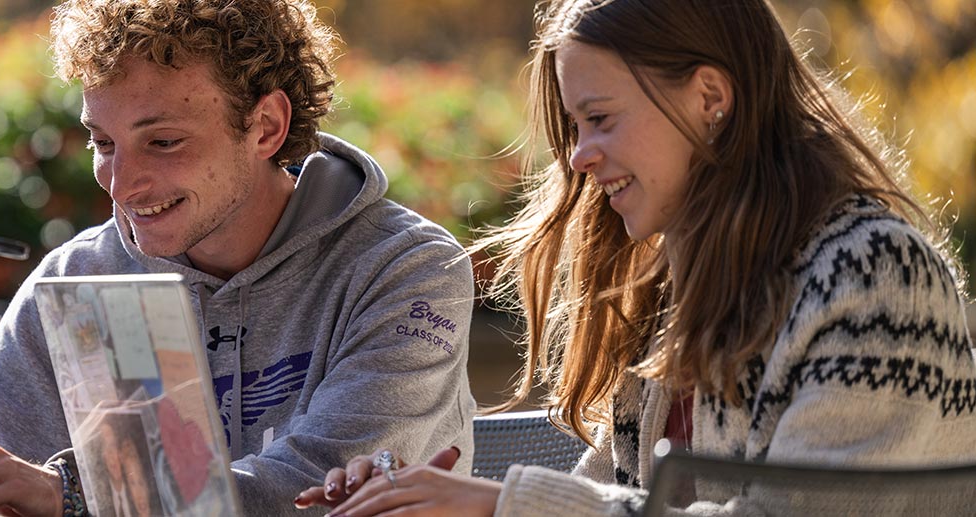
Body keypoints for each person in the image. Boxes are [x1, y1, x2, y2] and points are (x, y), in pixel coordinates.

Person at [296, 0, 976, 515]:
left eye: (601, 118)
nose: (579, 157)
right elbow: (615, 498)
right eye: (575, 125)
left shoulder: (878, 276)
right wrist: (423, 497)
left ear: (710, 98)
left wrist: (501, 506)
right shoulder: (680, 291)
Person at [0, 0, 478, 515]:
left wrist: (71, 495)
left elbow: (321, 492)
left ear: (266, 127)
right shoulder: (77, 277)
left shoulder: (406, 269)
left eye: (162, 141)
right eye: (104, 142)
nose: (121, 184)